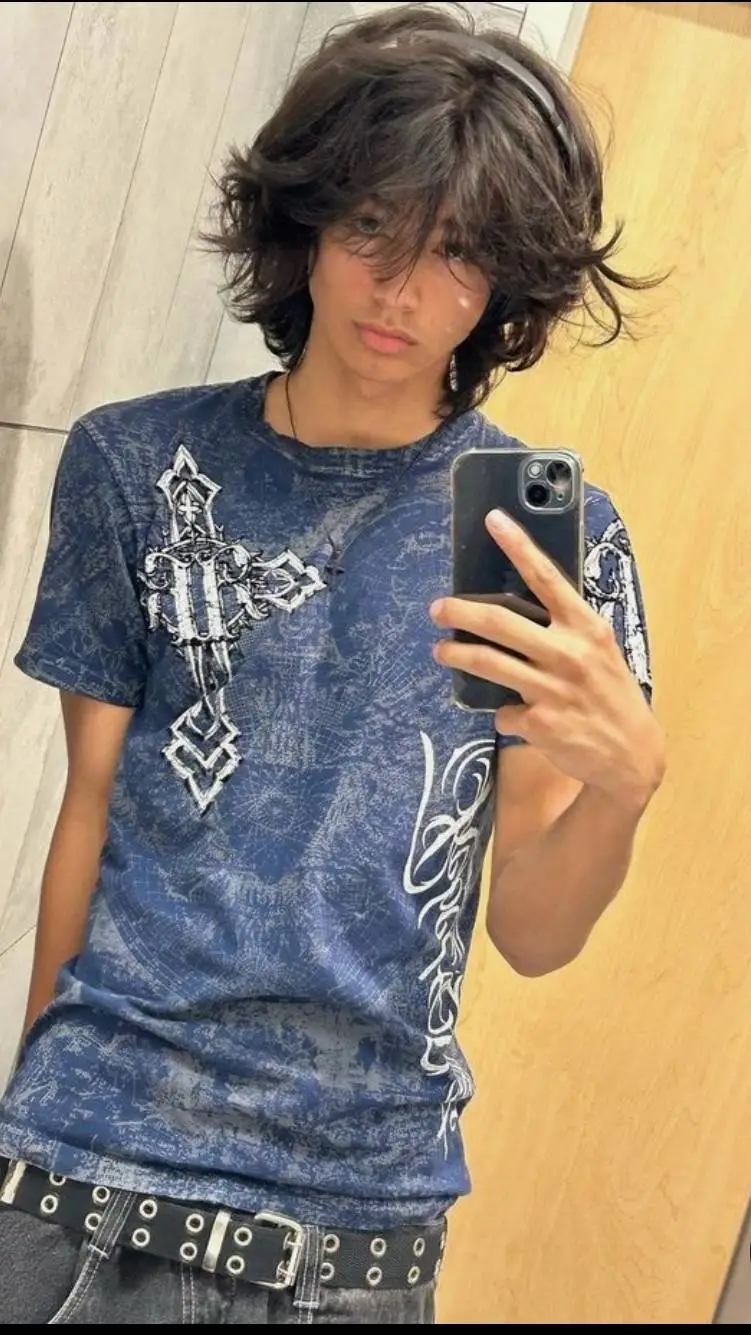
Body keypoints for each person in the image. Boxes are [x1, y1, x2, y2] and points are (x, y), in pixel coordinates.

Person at [0, 2, 665, 1325]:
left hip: (353, 1227)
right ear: (303, 221)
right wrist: (30, 1113)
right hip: (87, 1174)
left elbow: (530, 932)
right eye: (372, 227)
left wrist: (625, 787)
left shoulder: (533, 539)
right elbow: (92, 806)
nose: (401, 289)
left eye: (458, 251)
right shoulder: (136, 464)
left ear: (507, 281)